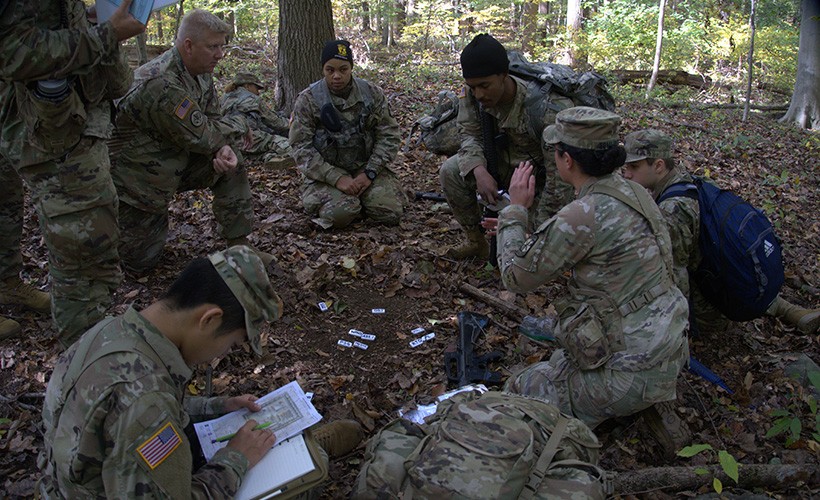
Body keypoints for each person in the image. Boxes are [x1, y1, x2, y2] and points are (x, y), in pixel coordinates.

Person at [39, 245, 363, 498]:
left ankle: (292, 446)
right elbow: (142, 413)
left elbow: (123, 418)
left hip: (87, 481)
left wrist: (217, 407)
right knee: (305, 483)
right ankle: (307, 452)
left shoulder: (114, 332)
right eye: (232, 343)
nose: (223, 353)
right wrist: (236, 459)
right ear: (208, 319)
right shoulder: (146, 401)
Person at [496, 107, 689, 433]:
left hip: (632, 369)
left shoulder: (583, 214)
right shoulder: (636, 191)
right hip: (669, 343)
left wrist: (515, 211)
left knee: (521, 388)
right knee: (557, 364)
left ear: (566, 160)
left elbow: (515, 276)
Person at [0, 0, 145, 345]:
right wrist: (105, 36)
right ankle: (86, 365)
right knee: (83, 246)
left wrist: (86, 20)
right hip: (48, 127)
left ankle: (6, 285)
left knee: (4, 207)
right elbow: (13, 51)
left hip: (32, 112)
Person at [110, 9, 275, 274]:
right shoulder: (161, 83)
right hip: (140, 183)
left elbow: (211, 119)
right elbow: (203, 134)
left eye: (222, 46)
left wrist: (221, 147)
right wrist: (239, 125)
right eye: (213, 47)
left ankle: (239, 245)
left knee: (233, 160)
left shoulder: (201, 70)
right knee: (139, 264)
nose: (220, 54)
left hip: (177, 160)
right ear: (188, 45)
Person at [622, 129, 820, 335]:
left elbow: (676, 273)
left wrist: (680, 326)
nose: (626, 173)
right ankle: (789, 310)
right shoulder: (690, 181)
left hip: (712, 301)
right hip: (728, 275)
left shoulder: (673, 209)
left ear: (659, 165)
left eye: (634, 167)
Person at [440, 34, 574, 260]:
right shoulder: (473, 97)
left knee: (534, 237)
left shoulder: (546, 108)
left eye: (485, 85)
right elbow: (469, 134)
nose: (479, 94)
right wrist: (478, 170)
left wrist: (537, 232)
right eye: (472, 87)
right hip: (500, 166)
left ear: (504, 75)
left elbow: (559, 179)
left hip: (537, 180)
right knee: (451, 171)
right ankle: (476, 242)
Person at [289, 39, 403, 229]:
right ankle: (348, 203)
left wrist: (370, 173)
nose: (336, 76)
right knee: (341, 213)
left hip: (364, 168)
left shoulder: (372, 94)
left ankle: (367, 199)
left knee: (389, 212)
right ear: (322, 69)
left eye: (343, 69)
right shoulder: (308, 99)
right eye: (330, 70)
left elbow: (389, 136)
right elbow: (301, 148)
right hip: (326, 174)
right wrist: (337, 178)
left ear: (351, 68)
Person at [220, 72, 294, 166]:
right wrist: (293, 124)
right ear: (247, 86)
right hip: (248, 136)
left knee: (258, 149)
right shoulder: (252, 98)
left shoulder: (224, 98)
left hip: (228, 141)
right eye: (256, 88)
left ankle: (268, 157)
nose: (258, 92)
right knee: (286, 145)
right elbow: (275, 122)